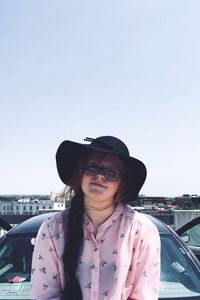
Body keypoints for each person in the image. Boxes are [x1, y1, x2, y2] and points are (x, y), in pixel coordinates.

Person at [31, 136, 160, 300]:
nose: (100, 176)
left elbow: (144, 295)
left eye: (111, 172)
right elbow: (44, 296)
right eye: (92, 167)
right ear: (80, 173)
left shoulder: (142, 231)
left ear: (122, 183)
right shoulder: (53, 228)